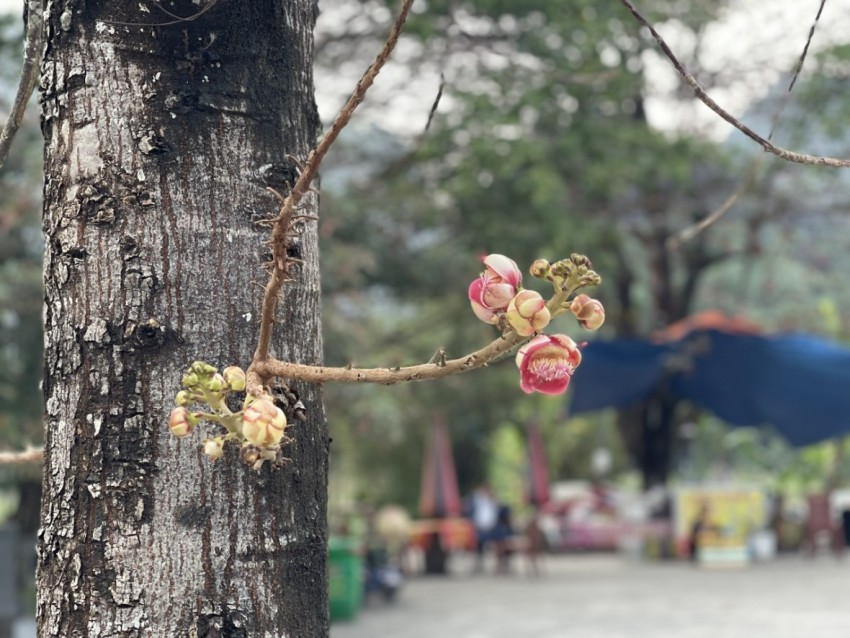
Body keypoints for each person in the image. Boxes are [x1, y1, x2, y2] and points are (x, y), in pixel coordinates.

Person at [466, 484, 499, 572]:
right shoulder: (477, 501)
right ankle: (477, 564)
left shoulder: (492, 501)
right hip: (478, 527)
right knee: (477, 547)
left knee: (487, 546)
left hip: (490, 527)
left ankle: (483, 565)